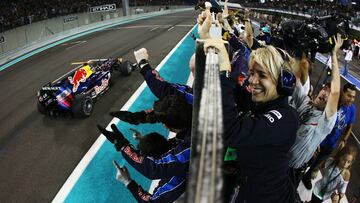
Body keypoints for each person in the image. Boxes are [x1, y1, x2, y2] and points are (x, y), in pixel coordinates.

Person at [203, 38, 298, 202]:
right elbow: (235, 92)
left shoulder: (286, 118)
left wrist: (223, 72)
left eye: (262, 75)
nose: (252, 81)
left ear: (284, 82)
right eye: (252, 73)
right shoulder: (263, 103)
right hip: (248, 188)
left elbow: (230, 132)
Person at [97, 94, 192, 203]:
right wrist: (141, 139)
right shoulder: (181, 138)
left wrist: (128, 181)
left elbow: (151, 198)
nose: (164, 126)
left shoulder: (175, 178)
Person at [288, 34, 343, 187]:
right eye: (324, 89)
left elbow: (335, 93)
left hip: (290, 172)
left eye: (328, 92)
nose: (325, 93)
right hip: (276, 159)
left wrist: (334, 55)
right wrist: (300, 49)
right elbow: (297, 76)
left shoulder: (325, 122)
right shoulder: (306, 102)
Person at [302, 82, 357, 189]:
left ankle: (306, 177)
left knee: (316, 163)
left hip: (330, 144)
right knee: (306, 161)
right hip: (318, 140)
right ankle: (296, 175)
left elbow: (350, 126)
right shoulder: (334, 103)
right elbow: (318, 117)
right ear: (343, 93)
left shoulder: (352, 109)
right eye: (349, 95)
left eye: (353, 97)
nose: (351, 99)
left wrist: (344, 140)